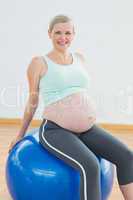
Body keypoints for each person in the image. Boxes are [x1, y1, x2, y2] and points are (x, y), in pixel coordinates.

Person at [8, 14, 133, 200]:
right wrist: (20, 134)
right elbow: (32, 100)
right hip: (55, 130)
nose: (63, 37)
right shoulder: (39, 63)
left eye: (67, 32)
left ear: (74, 34)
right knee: (90, 165)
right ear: (49, 33)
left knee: (127, 156)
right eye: (58, 32)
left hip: (87, 129)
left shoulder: (80, 58)